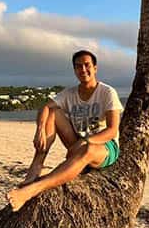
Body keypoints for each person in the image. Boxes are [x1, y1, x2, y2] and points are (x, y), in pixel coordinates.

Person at [7, 49, 123, 212]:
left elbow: (112, 130)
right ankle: (36, 167)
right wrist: (39, 129)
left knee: (88, 149)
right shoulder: (70, 94)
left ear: (95, 68)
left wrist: (85, 141)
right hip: (77, 144)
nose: (83, 70)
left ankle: (32, 190)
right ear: (74, 70)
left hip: (104, 147)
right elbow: (46, 107)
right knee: (53, 112)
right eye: (78, 67)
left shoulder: (107, 92)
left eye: (87, 65)